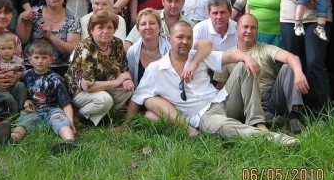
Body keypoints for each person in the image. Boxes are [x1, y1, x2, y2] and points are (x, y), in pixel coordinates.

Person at [124, 22, 298, 146]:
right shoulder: (156, 69)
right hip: (203, 116)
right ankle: (275, 140)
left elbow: (227, 56)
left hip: (222, 100)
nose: (185, 41)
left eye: (189, 38)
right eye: (180, 37)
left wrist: (246, 58)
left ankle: (256, 122)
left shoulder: (198, 56)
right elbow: (138, 97)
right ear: (169, 39)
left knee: (242, 67)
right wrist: (126, 123)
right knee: (223, 125)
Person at [225, 15, 308, 134]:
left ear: (257, 30)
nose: (249, 31)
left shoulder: (264, 48)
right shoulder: (228, 55)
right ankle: (267, 118)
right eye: (245, 27)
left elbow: (292, 57)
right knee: (244, 68)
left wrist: (299, 74)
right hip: (245, 102)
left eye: (253, 28)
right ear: (237, 28)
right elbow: (221, 87)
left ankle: (295, 116)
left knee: (289, 66)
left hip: (271, 98)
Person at [0, 40, 78, 152]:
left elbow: (66, 103)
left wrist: (70, 121)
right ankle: (10, 139)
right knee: (24, 123)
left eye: (44, 58)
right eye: (36, 57)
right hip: (34, 110)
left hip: (53, 109)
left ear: (50, 60)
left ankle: (69, 141)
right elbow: (23, 93)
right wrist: (26, 102)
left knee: (61, 122)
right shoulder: (26, 76)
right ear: (30, 59)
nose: (40, 61)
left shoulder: (56, 79)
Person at [66, 11, 134, 125]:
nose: (105, 31)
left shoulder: (116, 43)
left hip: (104, 85)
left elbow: (124, 68)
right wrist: (117, 81)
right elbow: (87, 86)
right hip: (80, 91)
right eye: (100, 28)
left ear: (114, 30)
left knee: (127, 90)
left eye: (109, 27)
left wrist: (126, 80)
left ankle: (105, 118)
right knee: (105, 100)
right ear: (92, 30)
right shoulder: (85, 48)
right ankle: (79, 115)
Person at [17, 0, 81, 77]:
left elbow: (72, 49)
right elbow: (22, 41)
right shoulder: (34, 13)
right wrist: (21, 19)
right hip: (32, 67)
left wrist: (51, 37)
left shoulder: (73, 19)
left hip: (60, 68)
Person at [124, 0, 194, 47]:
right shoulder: (148, 18)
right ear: (163, 1)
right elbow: (128, 43)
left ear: (183, 1)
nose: (173, 5)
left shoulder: (190, 25)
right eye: (169, 1)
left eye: (177, 1)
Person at [192, 0, 238, 85]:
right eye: (215, 13)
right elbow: (190, 55)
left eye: (223, 12)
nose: (219, 17)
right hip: (205, 72)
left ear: (230, 13)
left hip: (231, 74)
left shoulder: (238, 29)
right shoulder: (199, 29)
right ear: (209, 14)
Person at [0, 32, 27, 114]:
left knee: (21, 86)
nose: (7, 51)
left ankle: (22, 109)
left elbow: (23, 72)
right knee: (8, 98)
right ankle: (14, 114)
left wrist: (17, 77)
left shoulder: (18, 60)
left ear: (15, 49)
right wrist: (3, 75)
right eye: (3, 49)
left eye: (10, 48)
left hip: (13, 85)